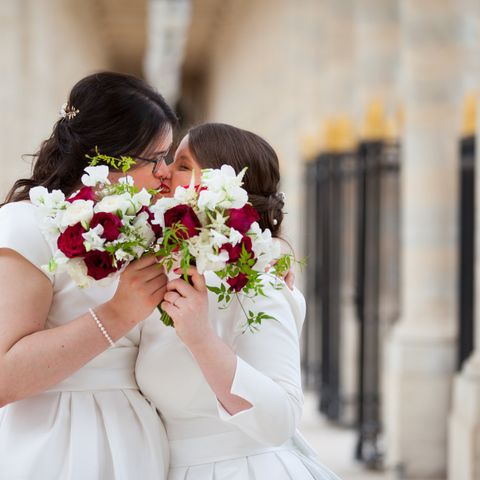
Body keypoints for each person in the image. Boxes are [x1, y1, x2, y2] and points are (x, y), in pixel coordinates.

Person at [0, 72, 177, 479]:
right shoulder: (22, 226)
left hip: (137, 445)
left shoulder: (145, 230)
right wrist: (118, 314)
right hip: (51, 444)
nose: (166, 172)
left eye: (168, 157)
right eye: (155, 158)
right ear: (107, 157)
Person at [136, 123, 341, 479]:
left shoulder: (257, 281)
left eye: (183, 165)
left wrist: (200, 338)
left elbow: (281, 418)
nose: (166, 172)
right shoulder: (169, 266)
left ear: (222, 187)